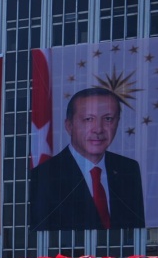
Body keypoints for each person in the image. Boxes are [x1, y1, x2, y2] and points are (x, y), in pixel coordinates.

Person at [30, 87, 145, 231]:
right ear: (69, 126)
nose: (98, 129)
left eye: (108, 119)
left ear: (117, 123)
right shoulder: (43, 176)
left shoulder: (128, 168)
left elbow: (136, 229)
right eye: (88, 119)